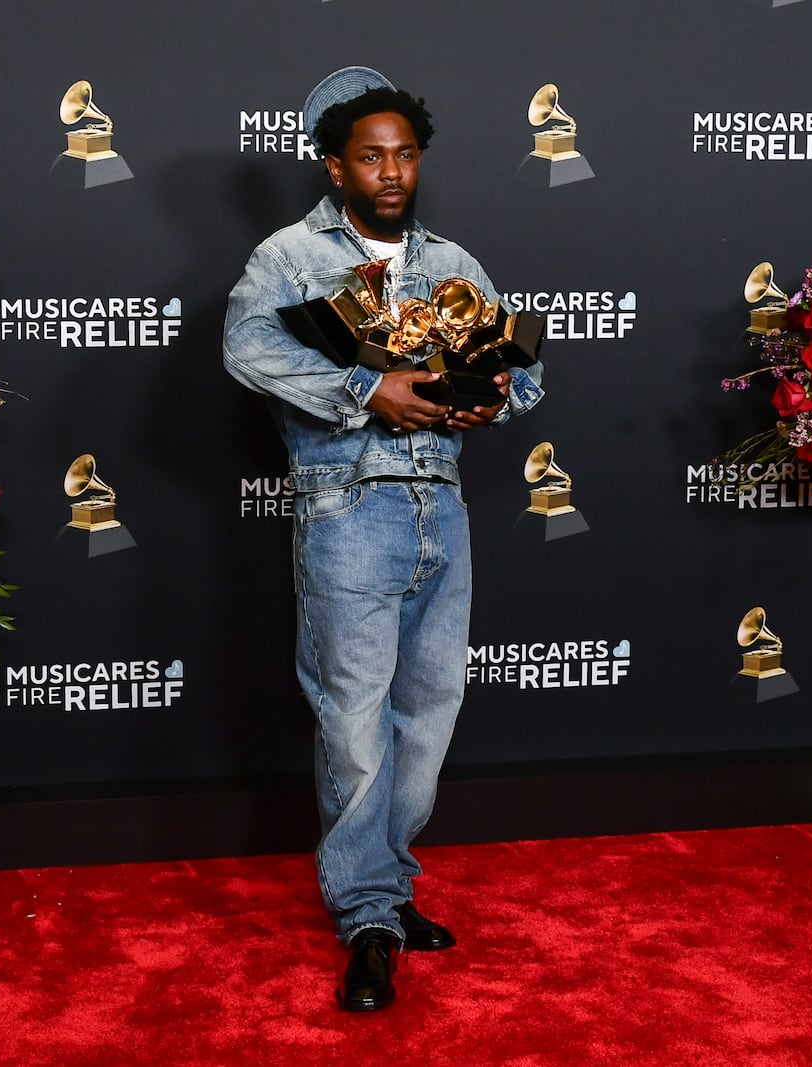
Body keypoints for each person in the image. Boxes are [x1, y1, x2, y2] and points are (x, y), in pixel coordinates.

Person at [222, 65, 545, 1012]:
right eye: (372, 156)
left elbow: (523, 374)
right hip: (347, 508)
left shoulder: (452, 263)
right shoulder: (289, 257)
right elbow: (247, 346)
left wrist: (489, 393)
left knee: (429, 714)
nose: (392, 171)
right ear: (335, 167)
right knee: (354, 723)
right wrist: (368, 389)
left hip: (442, 507)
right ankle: (366, 914)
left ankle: (390, 889)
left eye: (405, 155)